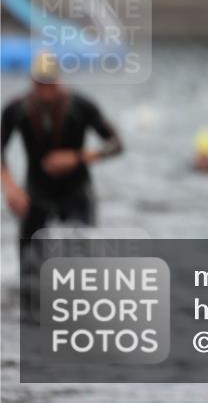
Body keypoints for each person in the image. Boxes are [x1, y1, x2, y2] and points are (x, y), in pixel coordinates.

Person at [1, 53, 123, 272]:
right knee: (28, 266)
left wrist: (76, 157)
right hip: (35, 194)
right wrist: (10, 187)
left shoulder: (81, 106)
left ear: (59, 79)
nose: (45, 90)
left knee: (82, 263)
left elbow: (116, 144)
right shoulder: (17, 110)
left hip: (76, 192)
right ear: (32, 80)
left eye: (50, 83)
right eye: (40, 83)